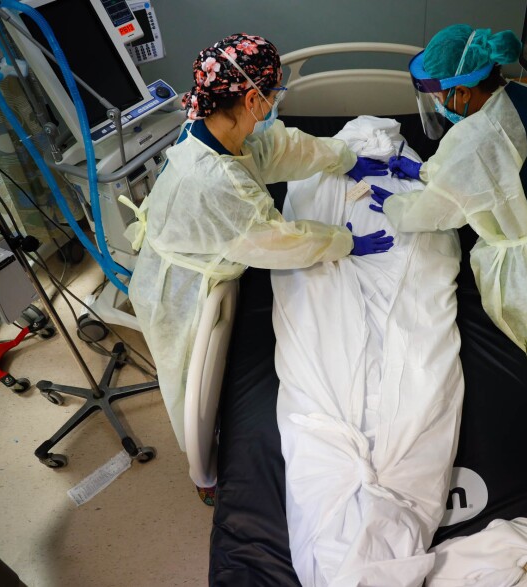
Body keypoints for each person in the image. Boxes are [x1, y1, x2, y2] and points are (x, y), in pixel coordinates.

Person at [124, 33, 393, 450]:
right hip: (180, 291)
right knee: (189, 382)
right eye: (274, 93)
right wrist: (343, 242)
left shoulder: (214, 127)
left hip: (202, 249)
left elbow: (276, 150)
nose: (275, 103)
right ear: (251, 101)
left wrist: (343, 157)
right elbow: (276, 240)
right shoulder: (213, 180)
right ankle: (202, 467)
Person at [370, 25, 527, 419]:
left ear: (463, 91)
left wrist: (395, 206)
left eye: (439, 95)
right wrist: (424, 172)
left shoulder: (478, 137)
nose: (438, 103)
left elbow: (436, 212)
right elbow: (490, 168)